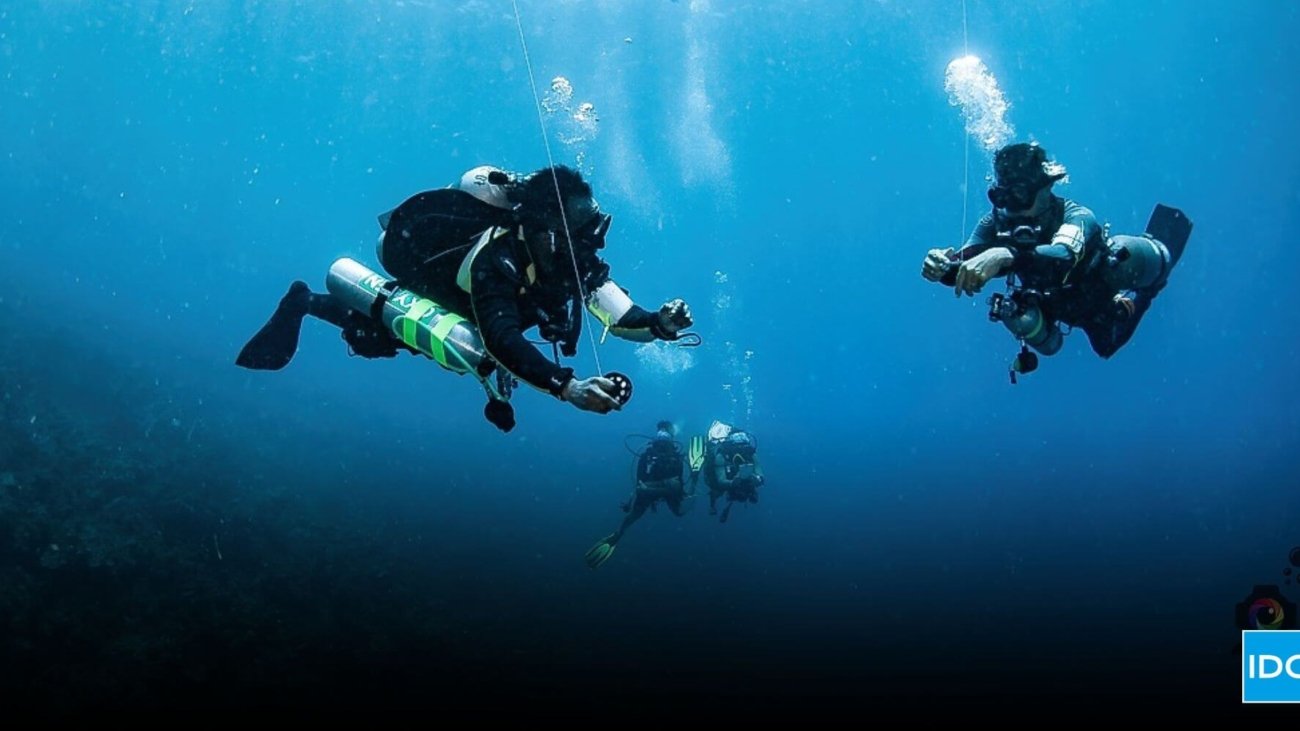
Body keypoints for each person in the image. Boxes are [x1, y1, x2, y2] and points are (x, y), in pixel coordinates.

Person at [236, 164, 694, 430]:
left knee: (398, 340)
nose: (588, 245)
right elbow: (499, 336)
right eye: (578, 229)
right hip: (444, 298)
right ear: (545, 228)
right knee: (375, 337)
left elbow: (620, 314)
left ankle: (314, 304)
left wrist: (658, 324)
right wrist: (566, 385)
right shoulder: (497, 260)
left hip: (474, 316)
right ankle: (304, 302)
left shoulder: (574, 260)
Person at [920, 142, 1192, 375]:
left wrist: (1005, 254)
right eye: (1002, 197)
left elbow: (1063, 255)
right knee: (1102, 346)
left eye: (1019, 196)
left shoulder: (1076, 216)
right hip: (1056, 305)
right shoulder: (994, 223)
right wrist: (943, 267)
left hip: (1096, 288)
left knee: (1112, 313)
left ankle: (1148, 287)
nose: (1010, 208)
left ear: (1046, 188)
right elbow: (967, 264)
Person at [584, 420, 693, 570]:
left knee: (650, 510)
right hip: (656, 490)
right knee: (673, 505)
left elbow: (643, 484)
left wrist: (643, 492)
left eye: (665, 432)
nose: (662, 436)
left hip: (650, 490)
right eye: (661, 432)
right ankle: (617, 534)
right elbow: (642, 482)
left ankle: (618, 534)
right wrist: (633, 499)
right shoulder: (650, 456)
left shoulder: (671, 457)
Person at [698, 420, 764, 524]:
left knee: (748, 489)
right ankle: (713, 505)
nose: (740, 445)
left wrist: (757, 479)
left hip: (742, 482)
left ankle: (744, 494)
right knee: (716, 491)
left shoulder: (751, 454)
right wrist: (733, 482)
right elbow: (720, 480)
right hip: (728, 482)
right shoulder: (722, 455)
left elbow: (760, 474)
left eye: (742, 438)